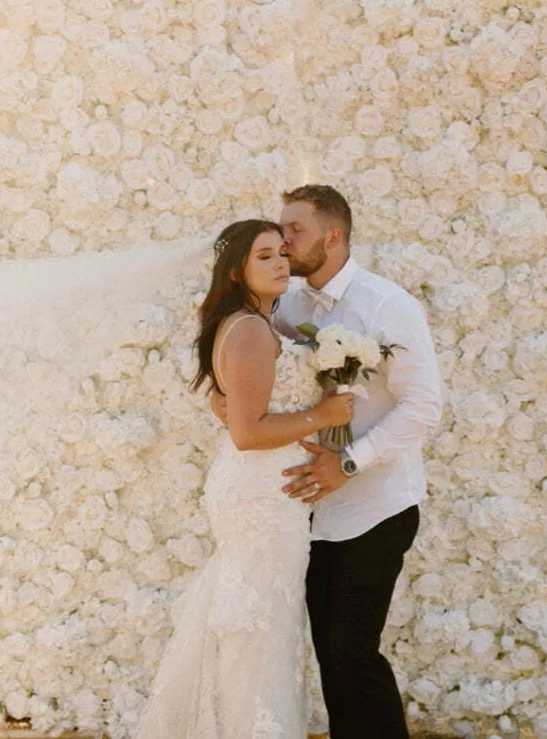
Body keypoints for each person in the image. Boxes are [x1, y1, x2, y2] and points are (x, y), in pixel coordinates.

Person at [214, 185, 444, 739]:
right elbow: (249, 379)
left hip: (375, 506)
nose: (284, 242)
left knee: (352, 655)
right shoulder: (286, 304)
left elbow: (424, 406)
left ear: (333, 236)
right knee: (328, 659)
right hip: (303, 512)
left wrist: (347, 463)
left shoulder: (388, 305)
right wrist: (227, 405)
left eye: (295, 231)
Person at [133, 218, 354, 739]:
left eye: (282, 253)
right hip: (261, 497)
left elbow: (229, 408)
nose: (280, 263)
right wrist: (323, 417)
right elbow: (249, 433)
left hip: (264, 492)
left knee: (253, 624)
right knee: (261, 630)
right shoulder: (252, 330)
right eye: (265, 256)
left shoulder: (253, 323)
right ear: (237, 270)